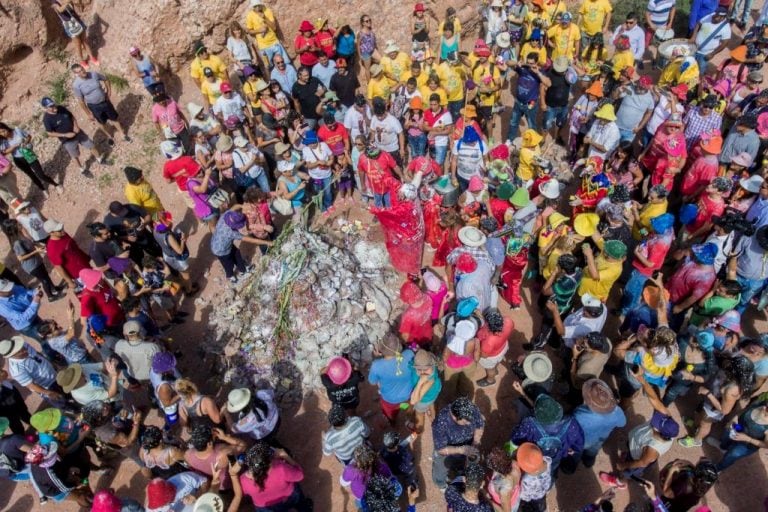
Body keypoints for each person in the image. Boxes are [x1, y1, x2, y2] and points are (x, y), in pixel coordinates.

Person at [511, 394, 585, 474]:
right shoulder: (571, 423)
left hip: (534, 456)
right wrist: (574, 449)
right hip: (557, 455)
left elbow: (515, 439)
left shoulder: (529, 423)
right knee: (553, 466)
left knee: (533, 468)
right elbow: (579, 442)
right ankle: (552, 474)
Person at [432, 396, 485, 491]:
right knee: (440, 471)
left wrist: (475, 442)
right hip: (447, 450)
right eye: (466, 422)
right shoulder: (441, 423)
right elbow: (441, 449)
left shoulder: (471, 409)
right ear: (456, 418)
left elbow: (479, 425)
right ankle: (441, 484)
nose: (470, 424)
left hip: (466, 446)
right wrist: (461, 450)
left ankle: (459, 468)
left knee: (463, 462)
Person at [41, 96, 104, 175]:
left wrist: (76, 125)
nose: (54, 107)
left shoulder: (61, 108)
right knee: (75, 155)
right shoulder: (47, 119)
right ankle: (82, 169)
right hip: (67, 140)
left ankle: (99, 159)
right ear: (46, 108)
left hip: (78, 133)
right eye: (50, 106)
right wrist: (65, 135)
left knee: (90, 144)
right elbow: (49, 133)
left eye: (53, 104)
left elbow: (71, 116)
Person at [71, 63, 130, 145]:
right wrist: (88, 114)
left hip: (105, 101)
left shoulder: (94, 74)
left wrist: (109, 92)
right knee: (101, 122)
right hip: (94, 106)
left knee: (113, 118)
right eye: (79, 72)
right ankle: (109, 136)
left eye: (82, 69)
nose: (82, 72)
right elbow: (81, 101)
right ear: (76, 74)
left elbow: (105, 79)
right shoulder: (76, 85)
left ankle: (123, 134)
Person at [240, 441, 309, 510]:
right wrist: (286, 456)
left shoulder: (243, 480)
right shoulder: (280, 468)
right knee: (302, 505)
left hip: (266, 507)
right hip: (289, 496)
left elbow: (243, 494)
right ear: (269, 462)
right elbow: (300, 475)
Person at [574, 379, 627, 467]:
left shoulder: (580, 413)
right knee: (592, 451)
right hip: (600, 439)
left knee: (576, 452)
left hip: (582, 441)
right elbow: (622, 423)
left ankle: (573, 464)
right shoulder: (617, 411)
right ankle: (588, 462)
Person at [210, 210, 271, 284]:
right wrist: (267, 242)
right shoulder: (231, 233)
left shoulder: (225, 216)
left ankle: (243, 270)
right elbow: (249, 239)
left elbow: (235, 206)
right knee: (228, 263)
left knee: (237, 254)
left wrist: (241, 206)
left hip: (220, 242)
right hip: (220, 250)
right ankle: (230, 276)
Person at [0, 123, 60, 195]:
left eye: (3, 131)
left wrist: (25, 142)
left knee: (40, 174)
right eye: (0, 133)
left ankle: (56, 184)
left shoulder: (17, 131)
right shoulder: (3, 141)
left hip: (28, 154)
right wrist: (14, 147)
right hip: (18, 160)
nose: (3, 134)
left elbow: (28, 136)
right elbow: (4, 152)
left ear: (6, 127)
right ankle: (43, 189)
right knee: (31, 175)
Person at [185, 423, 247, 491]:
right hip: (231, 481)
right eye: (213, 434)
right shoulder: (222, 454)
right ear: (209, 444)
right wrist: (225, 437)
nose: (215, 434)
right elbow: (243, 446)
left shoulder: (188, 454)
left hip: (219, 485)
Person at [368, 335, 415, 423]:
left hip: (389, 399)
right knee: (402, 405)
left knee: (390, 411)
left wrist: (378, 358)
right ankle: (405, 410)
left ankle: (393, 421)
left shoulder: (376, 365)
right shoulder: (409, 354)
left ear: (381, 350)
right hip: (407, 395)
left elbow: (372, 382)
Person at [476, 307, 513, 387]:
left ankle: (490, 380)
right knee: (496, 362)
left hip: (492, 356)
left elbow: (484, 355)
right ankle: (495, 370)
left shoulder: (489, 341)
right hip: (503, 347)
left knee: (490, 368)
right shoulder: (508, 321)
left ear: (490, 328)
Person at [52, 0, 96, 67]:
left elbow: (76, 5)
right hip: (70, 25)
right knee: (78, 44)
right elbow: (60, 10)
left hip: (77, 20)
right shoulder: (54, 2)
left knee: (85, 41)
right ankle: (82, 61)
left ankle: (92, 57)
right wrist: (68, 1)